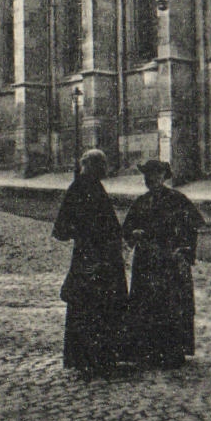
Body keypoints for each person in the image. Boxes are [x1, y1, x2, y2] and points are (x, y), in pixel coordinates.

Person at [51, 149, 128, 376]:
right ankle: (91, 356)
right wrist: (86, 235)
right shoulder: (78, 188)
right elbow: (61, 229)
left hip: (102, 255)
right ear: (90, 166)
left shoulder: (94, 186)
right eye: (101, 165)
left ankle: (99, 355)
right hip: (90, 256)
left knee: (99, 304)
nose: (104, 170)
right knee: (90, 304)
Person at [123, 159, 205, 369]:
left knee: (172, 305)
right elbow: (127, 229)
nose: (150, 180)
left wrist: (184, 251)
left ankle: (173, 350)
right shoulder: (141, 202)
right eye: (147, 176)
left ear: (163, 177)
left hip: (170, 260)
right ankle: (147, 350)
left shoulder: (177, 200)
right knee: (146, 303)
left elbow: (194, 226)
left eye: (155, 175)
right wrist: (134, 234)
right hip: (147, 261)